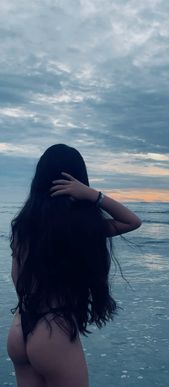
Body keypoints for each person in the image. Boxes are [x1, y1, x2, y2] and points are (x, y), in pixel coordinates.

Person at [7, 143, 142, 387]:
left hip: (20, 326)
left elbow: (16, 277)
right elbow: (132, 221)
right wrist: (94, 195)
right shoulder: (81, 227)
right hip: (53, 331)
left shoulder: (24, 225)